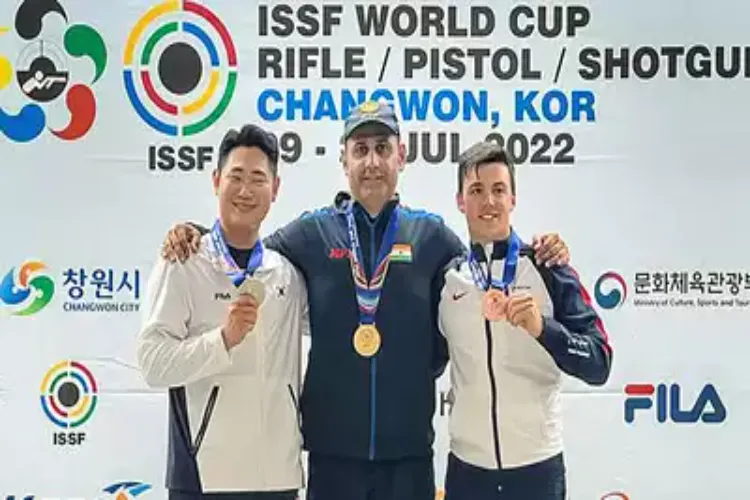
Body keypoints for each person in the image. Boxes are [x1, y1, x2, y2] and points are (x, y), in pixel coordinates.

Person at [160, 100, 571, 500]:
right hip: (331, 457)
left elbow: (488, 262)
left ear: (401, 156)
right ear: (344, 161)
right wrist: (196, 231)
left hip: (408, 459)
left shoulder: (432, 238)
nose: (372, 162)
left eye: (382, 149)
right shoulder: (312, 234)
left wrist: (546, 249)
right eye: (360, 151)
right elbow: (245, 251)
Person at [136, 124, 307, 500]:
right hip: (204, 477)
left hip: (277, 477)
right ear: (216, 181)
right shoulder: (183, 261)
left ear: (275, 190)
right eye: (236, 176)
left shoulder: (286, 274)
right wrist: (223, 340)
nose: (246, 191)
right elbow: (151, 363)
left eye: (258, 179)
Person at [437, 140, 613, 500]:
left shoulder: (548, 268)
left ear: (513, 199)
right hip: (468, 471)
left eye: (499, 190)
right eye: (477, 190)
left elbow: (599, 363)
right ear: (460, 201)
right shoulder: (447, 279)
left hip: (537, 469)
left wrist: (543, 330)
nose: (489, 201)